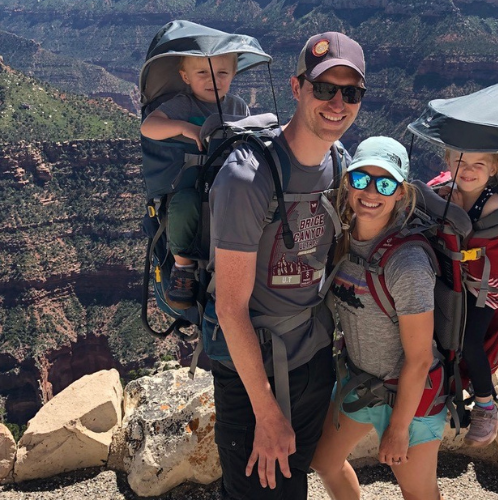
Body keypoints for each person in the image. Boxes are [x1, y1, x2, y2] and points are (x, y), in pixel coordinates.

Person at [207, 32, 366, 500]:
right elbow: (230, 310)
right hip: (253, 375)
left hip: (314, 362)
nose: (338, 103)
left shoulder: (342, 166)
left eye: (350, 93)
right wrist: (267, 412)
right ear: (297, 89)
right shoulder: (246, 178)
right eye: (324, 89)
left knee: (292, 486)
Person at [311, 136, 445, 500]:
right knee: (324, 463)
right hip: (361, 382)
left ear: (400, 192)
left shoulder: (408, 263)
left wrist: (399, 429)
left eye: (384, 183)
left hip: (410, 398)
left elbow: (418, 359)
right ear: (347, 182)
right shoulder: (343, 236)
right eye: (360, 180)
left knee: (418, 493)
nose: (370, 192)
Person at [140, 52, 249, 309]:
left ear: (233, 75)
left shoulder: (237, 106)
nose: (214, 80)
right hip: (192, 185)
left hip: (229, 182)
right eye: (202, 73)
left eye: (223, 73)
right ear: (185, 77)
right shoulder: (185, 105)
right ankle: (182, 267)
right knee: (184, 205)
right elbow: (149, 126)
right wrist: (183, 127)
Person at [442, 149, 498, 447]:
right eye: (459, 162)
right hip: (456, 279)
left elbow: (477, 248)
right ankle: (445, 391)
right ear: (448, 162)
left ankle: (487, 405)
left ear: (493, 169)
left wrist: (454, 215)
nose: (467, 170)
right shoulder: (449, 190)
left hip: (485, 286)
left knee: (469, 341)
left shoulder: (492, 204)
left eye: (478, 164)